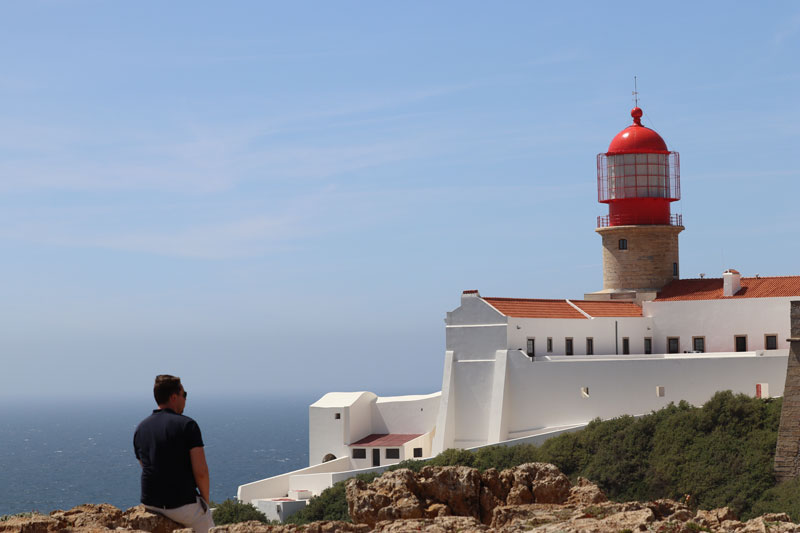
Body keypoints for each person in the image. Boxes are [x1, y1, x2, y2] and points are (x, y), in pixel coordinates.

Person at [133, 375, 214, 533]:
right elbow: (201, 472)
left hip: (151, 503)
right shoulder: (188, 425)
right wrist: (205, 502)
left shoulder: (140, 429)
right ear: (174, 397)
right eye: (185, 395)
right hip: (182, 505)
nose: (185, 399)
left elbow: (145, 465)